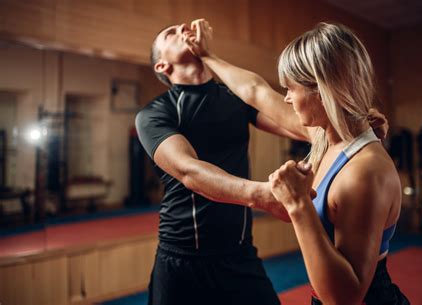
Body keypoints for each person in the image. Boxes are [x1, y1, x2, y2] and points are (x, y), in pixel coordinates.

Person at [136, 22, 388, 305]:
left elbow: (294, 118)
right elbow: (188, 171)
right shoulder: (154, 114)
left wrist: (354, 118)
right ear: (161, 66)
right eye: (170, 33)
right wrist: (266, 195)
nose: (182, 29)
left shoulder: (233, 99)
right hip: (181, 254)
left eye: (183, 26)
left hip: (239, 252)